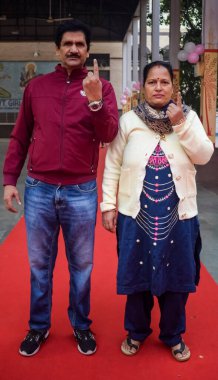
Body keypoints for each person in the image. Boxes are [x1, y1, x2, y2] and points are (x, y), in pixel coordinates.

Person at [3, 19, 118, 357]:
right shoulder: (37, 87)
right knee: (40, 265)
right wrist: (10, 180)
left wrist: (95, 101)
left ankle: (81, 325)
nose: (73, 49)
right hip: (39, 189)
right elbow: (20, 136)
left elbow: (109, 134)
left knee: (82, 265)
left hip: (81, 191)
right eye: (67, 43)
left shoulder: (102, 87)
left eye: (80, 44)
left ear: (87, 50)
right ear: (58, 49)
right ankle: (38, 327)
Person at [101, 61, 214, 361]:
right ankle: (136, 332)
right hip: (135, 214)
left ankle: (173, 334)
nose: (159, 87)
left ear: (173, 87)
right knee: (136, 275)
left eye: (164, 82)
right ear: (144, 87)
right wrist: (108, 206)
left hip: (179, 214)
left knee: (177, 277)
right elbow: (112, 164)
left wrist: (180, 124)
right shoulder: (129, 122)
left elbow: (204, 155)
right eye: (153, 82)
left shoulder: (188, 119)